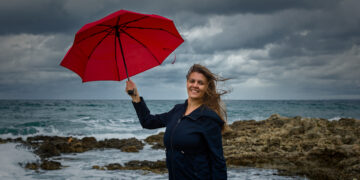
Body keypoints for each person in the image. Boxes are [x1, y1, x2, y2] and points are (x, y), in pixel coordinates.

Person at [126, 64, 229, 180]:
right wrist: (135, 96)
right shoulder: (177, 110)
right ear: (187, 83)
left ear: (207, 87)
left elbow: (218, 161)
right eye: (192, 81)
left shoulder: (209, 118)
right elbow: (148, 122)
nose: (195, 85)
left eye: (200, 83)